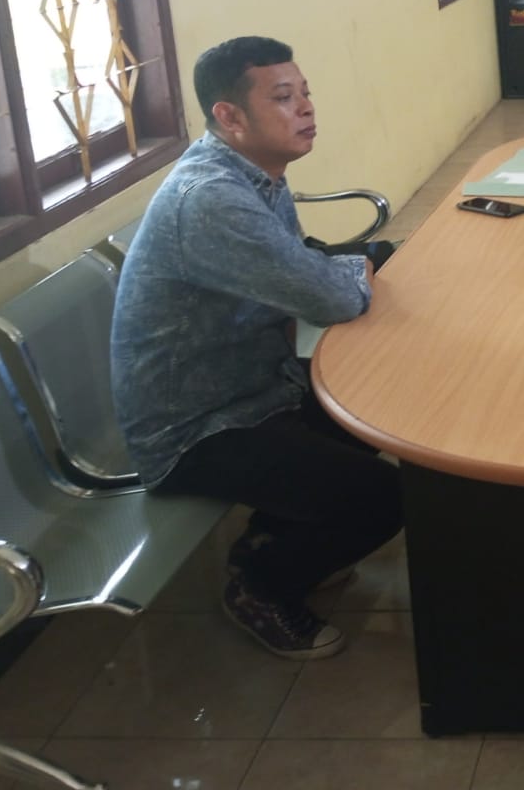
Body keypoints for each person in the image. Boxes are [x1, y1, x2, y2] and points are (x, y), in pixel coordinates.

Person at [110, 36, 402, 660]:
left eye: (305, 94)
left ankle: (274, 535)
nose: (306, 108)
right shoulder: (212, 199)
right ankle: (263, 586)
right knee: (384, 497)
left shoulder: (253, 174)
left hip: (258, 385)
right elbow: (331, 299)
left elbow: (301, 268)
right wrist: (357, 269)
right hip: (196, 427)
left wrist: (347, 268)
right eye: (284, 98)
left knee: (376, 403)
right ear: (230, 116)